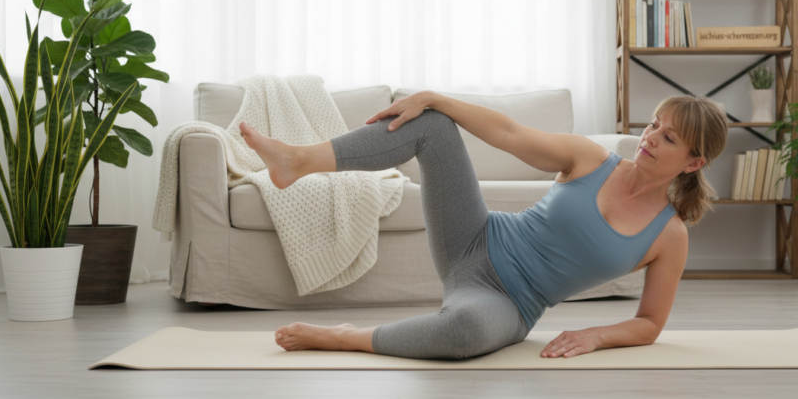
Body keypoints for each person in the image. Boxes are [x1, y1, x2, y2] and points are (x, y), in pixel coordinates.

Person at [240, 90, 727, 360]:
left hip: (508, 304)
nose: (650, 138)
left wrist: (596, 335)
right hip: (474, 236)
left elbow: (650, 323)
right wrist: (437, 99)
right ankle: (299, 160)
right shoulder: (590, 158)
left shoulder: (669, 236)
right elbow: (510, 133)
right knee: (431, 123)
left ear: (692, 162)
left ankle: (345, 335)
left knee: (465, 331)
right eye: (653, 125)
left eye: (669, 138)